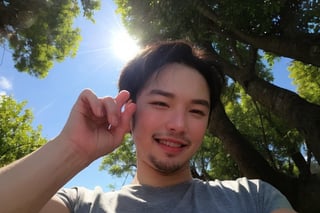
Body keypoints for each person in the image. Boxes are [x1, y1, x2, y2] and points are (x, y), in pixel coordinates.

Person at [0, 40, 296, 213]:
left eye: (196, 110)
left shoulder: (254, 199)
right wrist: (72, 149)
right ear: (130, 112)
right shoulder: (81, 206)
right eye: (161, 103)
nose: (178, 125)